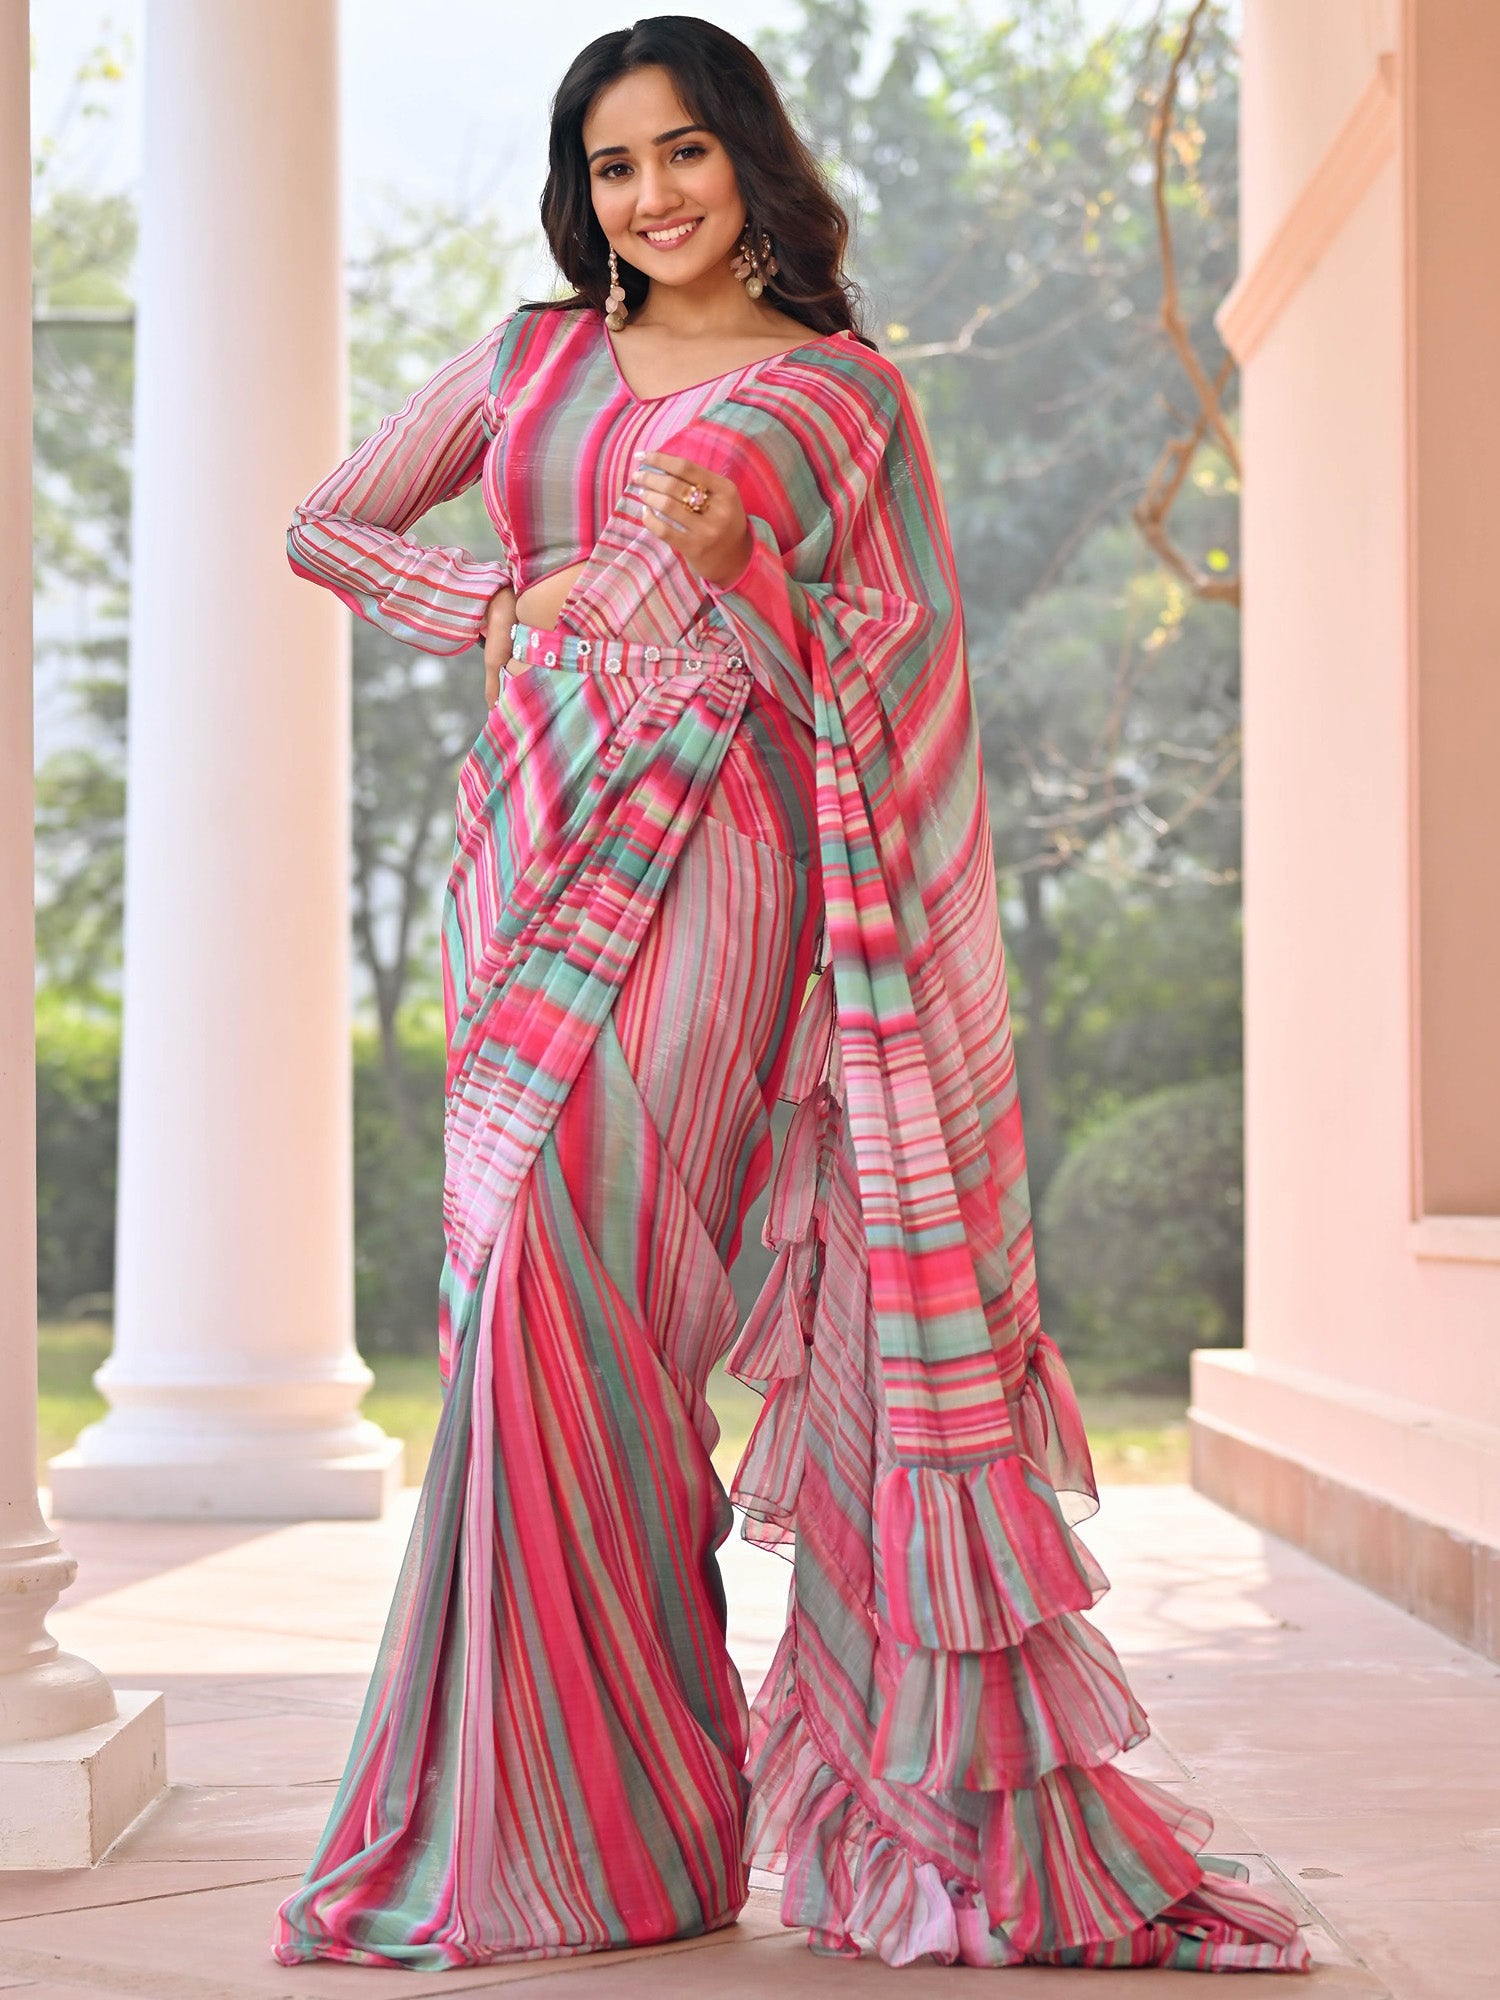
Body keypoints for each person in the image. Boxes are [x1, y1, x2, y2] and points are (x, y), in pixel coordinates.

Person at [269, 14, 1311, 1977]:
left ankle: (614, 1823)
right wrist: (495, 602)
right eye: (613, 165)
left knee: (610, 1311)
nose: (650, 194)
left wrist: (750, 556)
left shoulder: (841, 393)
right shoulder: (526, 358)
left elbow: (900, 642)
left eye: (683, 151)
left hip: (720, 851)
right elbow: (329, 523)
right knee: (509, 1308)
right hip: (525, 848)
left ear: (750, 159)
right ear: (580, 194)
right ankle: (578, 1826)